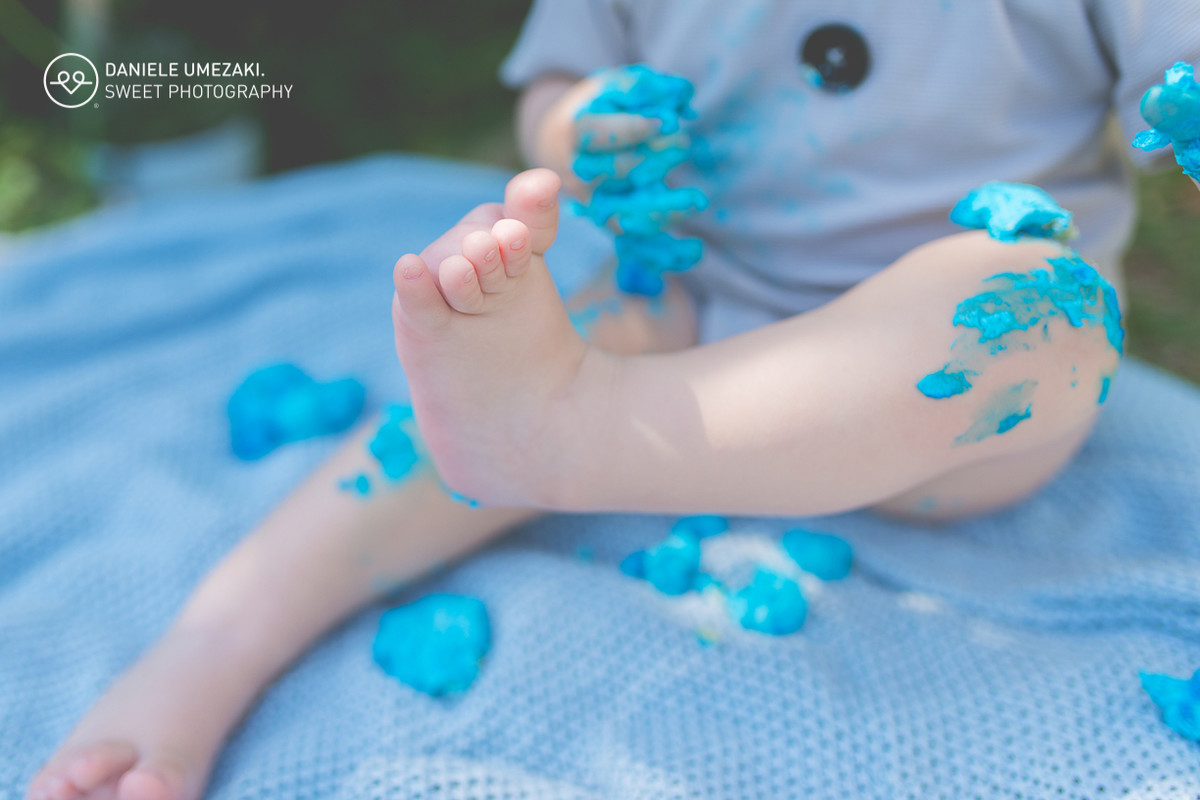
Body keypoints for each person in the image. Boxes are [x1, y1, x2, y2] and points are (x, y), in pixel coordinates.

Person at [26, 2, 1200, 799]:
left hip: (954, 389)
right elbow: (553, 85)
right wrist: (582, 127)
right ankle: (214, 642)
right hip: (690, 298)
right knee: (430, 440)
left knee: (1042, 302)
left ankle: (570, 434)